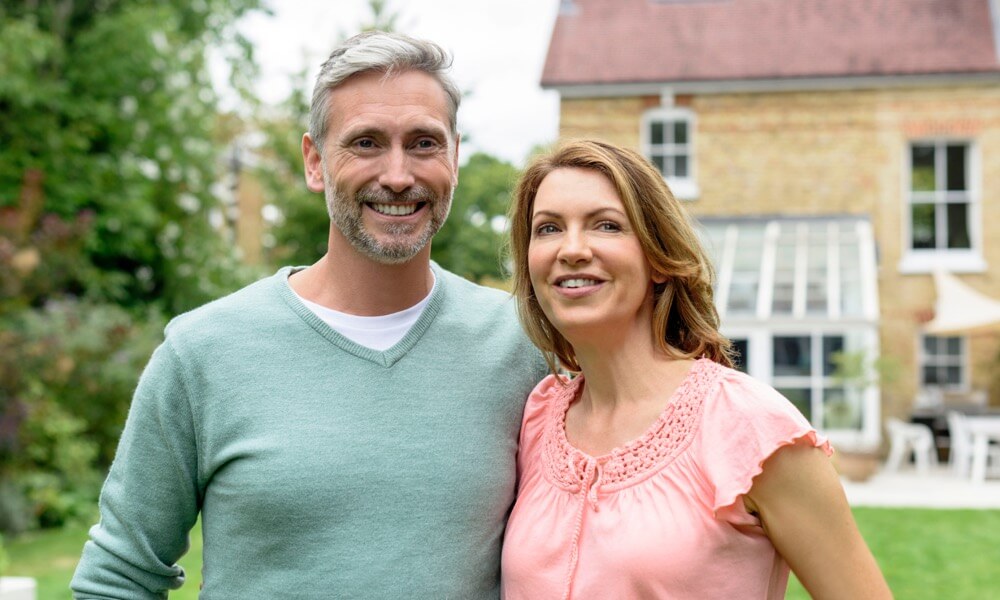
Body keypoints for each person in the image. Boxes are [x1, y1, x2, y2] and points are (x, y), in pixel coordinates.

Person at [71, 31, 547, 599]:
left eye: (423, 143)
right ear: (315, 162)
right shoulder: (204, 351)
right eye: (366, 143)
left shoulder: (524, 346)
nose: (398, 175)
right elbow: (118, 576)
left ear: (454, 158)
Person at [500, 139, 891, 599]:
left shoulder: (752, 427)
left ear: (658, 258)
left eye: (606, 225)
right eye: (547, 229)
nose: (572, 249)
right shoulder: (536, 417)